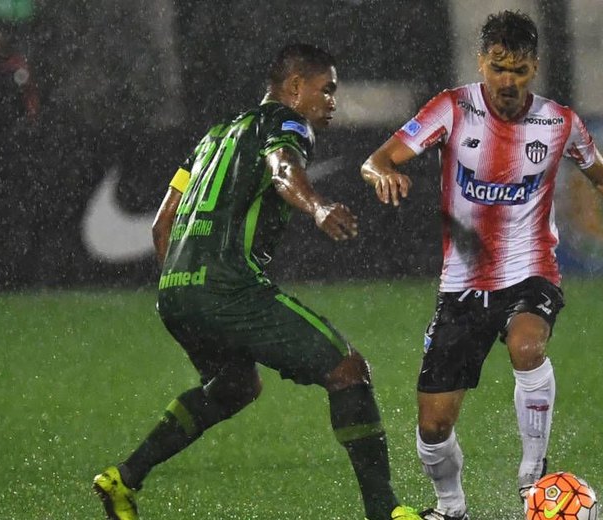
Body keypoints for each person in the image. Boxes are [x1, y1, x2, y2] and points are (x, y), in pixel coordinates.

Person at [360, 11, 603, 520]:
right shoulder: (452, 109)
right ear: (481, 63)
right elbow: (377, 159)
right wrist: (382, 173)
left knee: (527, 345)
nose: (507, 81)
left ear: (534, 69)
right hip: (461, 284)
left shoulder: (560, 122)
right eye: (498, 68)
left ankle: (533, 479)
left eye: (518, 70)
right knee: (433, 429)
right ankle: (451, 509)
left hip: (530, 270)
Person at [93, 43, 423, 520]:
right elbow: (283, 168)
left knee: (234, 386)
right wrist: (318, 206)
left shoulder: (214, 138)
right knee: (348, 369)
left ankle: (125, 477)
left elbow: (160, 226)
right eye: (325, 90)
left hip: (175, 290)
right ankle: (383, 510)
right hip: (227, 287)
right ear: (295, 88)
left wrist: (184, 287)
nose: (331, 102)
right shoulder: (286, 124)